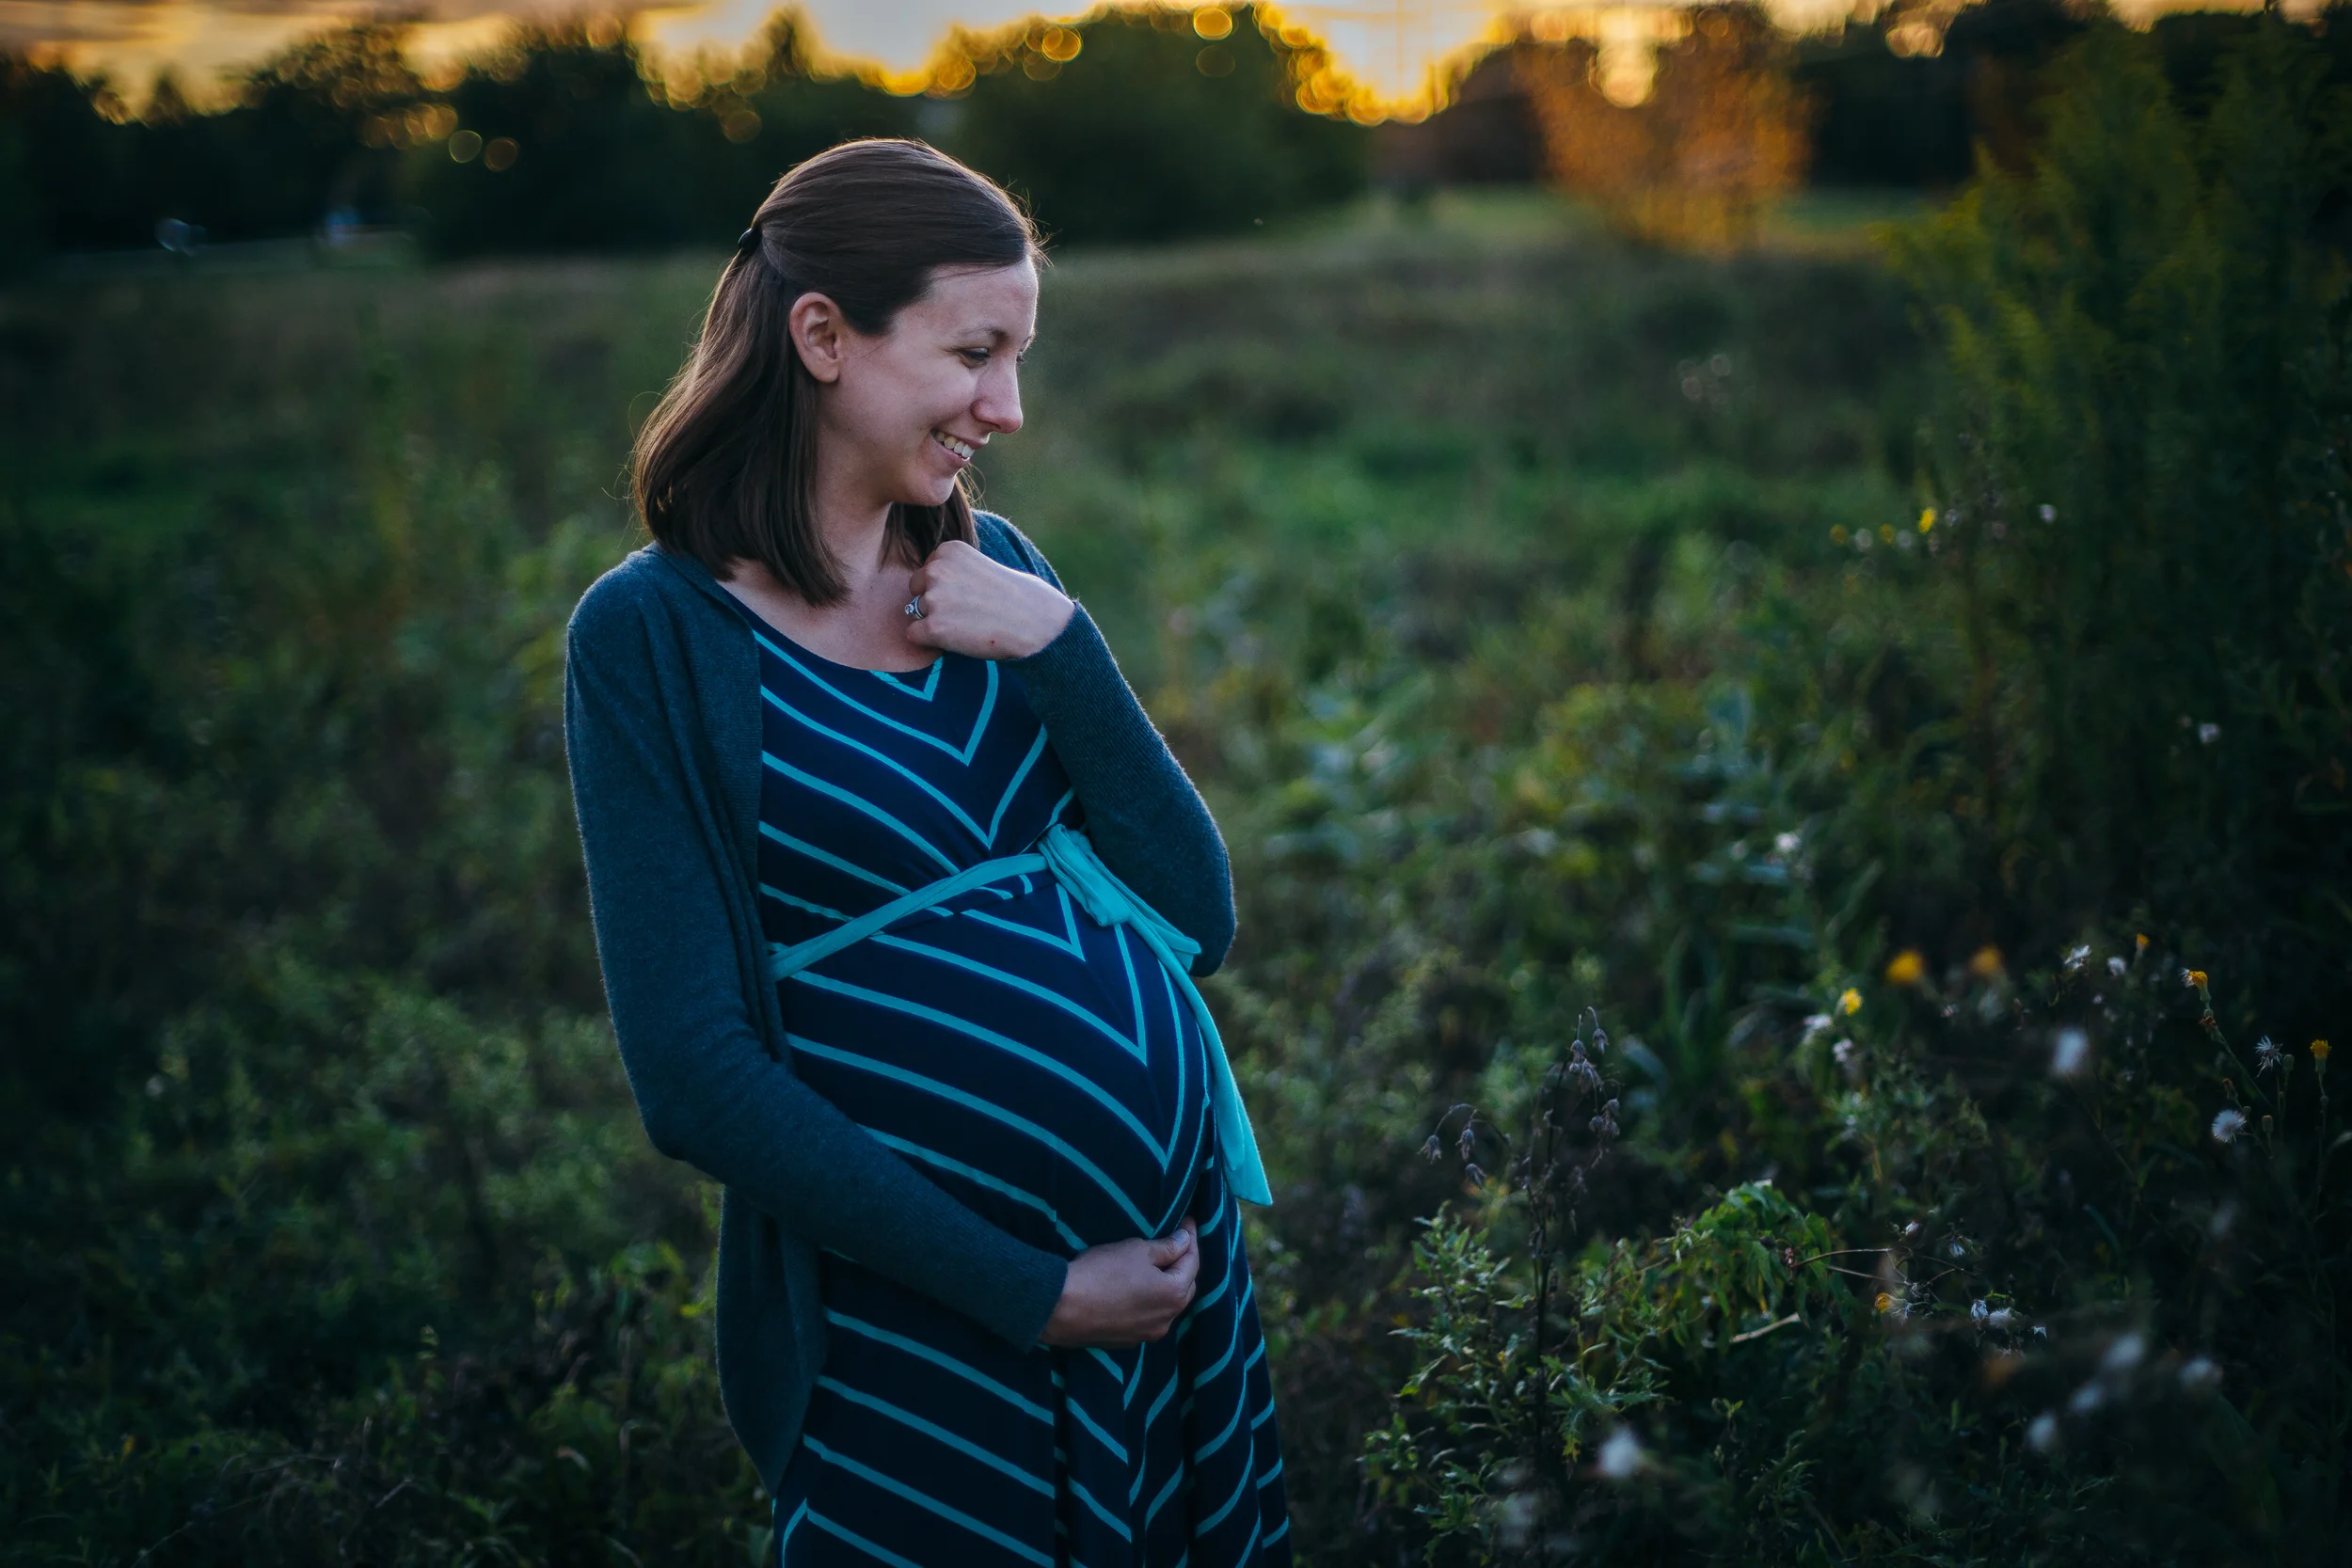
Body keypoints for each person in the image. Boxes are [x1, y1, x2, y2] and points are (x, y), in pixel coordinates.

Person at [564, 139, 1288, 1566]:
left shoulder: (999, 575)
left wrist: (1063, 646)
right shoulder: (653, 638)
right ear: (822, 334)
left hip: (1172, 1304)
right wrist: (1030, 1287)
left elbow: (1195, 919)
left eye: (1020, 358)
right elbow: (695, 1079)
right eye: (976, 352)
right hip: (921, 1325)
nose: (1006, 408)